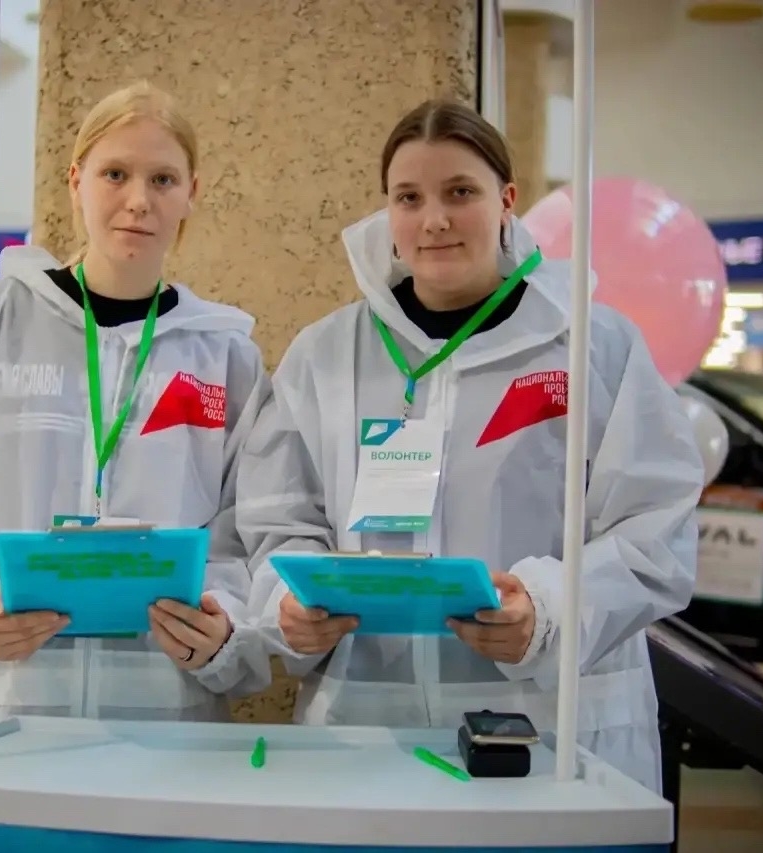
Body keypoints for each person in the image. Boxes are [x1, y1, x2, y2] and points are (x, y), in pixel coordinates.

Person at [235, 98, 704, 793]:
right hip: (366, 733)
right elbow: (278, 519)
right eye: (409, 197)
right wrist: (289, 602)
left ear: (507, 201)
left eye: (460, 192)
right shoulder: (327, 355)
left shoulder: (591, 346)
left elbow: (656, 530)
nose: (434, 220)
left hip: (551, 733)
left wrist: (548, 609)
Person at [0, 81, 271, 741]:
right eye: (115, 174)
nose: (138, 200)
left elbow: (247, 530)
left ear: (192, 191)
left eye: (163, 179)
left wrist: (223, 627)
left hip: (160, 716)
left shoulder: (225, 358)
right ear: (76, 179)